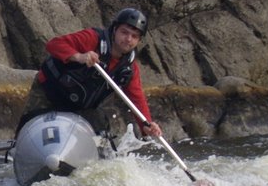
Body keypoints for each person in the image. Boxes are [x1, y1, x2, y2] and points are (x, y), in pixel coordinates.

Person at [17, 7, 164, 141]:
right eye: (124, 32)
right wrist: (79, 56)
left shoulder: (129, 68)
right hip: (49, 91)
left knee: (101, 135)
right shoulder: (92, 38)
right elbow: (53, 45)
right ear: (114, 30)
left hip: (82, 106)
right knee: (28, 126)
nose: (128, 39)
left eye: (134, 36)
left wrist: (146, 125)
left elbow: (136, 99)